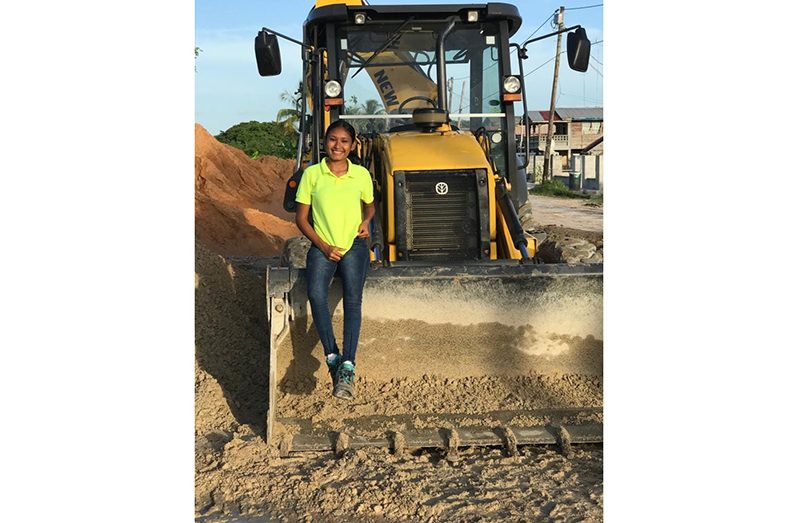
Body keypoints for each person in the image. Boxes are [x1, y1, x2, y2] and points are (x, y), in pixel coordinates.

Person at [294, 120, 375, 400]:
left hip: (354, 245)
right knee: (316, 294)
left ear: (352, 146)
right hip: (322, 245)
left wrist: (367, 221)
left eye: (344, 141)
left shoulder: (361, 175)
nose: (337, 146)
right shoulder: (312, 175)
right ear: (325, 142)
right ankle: (332, 356)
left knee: (353, 299)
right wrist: (323, 246)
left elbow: (370, 204)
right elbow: (301, 218)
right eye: (332, 140)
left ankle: (348, 366)